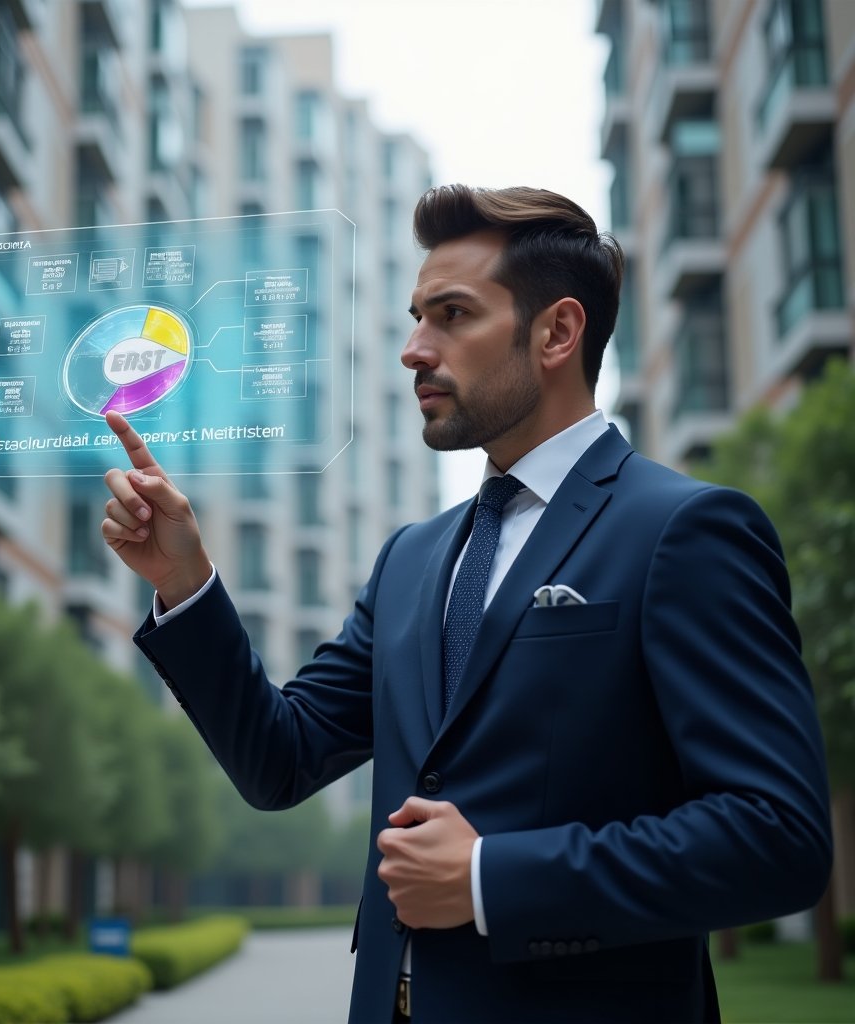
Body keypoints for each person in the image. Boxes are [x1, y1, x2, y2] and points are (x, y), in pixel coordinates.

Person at [101, 185, 832, 1024]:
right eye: (415, 316)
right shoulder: (411, 558)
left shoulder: (685, 530)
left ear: (557, 332)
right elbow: (280, 758)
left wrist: (491, 878)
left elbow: (778, 836)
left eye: (452, 315)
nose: (414, 349)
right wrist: (185, 585)